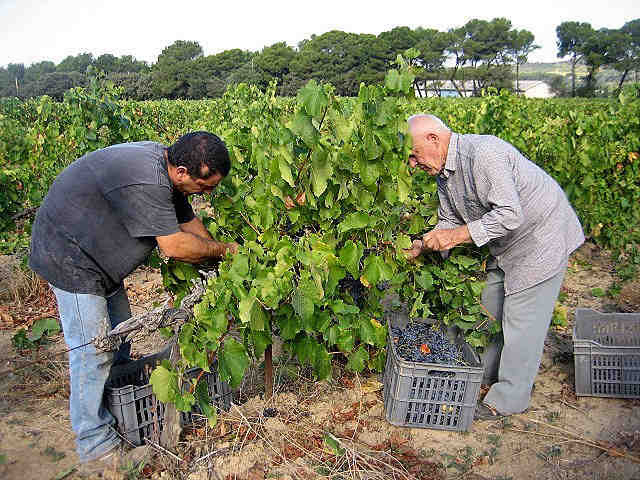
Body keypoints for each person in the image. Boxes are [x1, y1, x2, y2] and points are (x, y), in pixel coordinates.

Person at [29, 131, 238, 464]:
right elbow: (174, 246)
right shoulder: (148, 180)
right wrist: (225, 250)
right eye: (206, 187)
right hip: (69, 257)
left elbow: (190, 223)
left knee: (120, 341)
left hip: (98, 257)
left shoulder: (170, 171)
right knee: (94, 351)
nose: (209, 194)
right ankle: (95, 444)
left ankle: (119, 412)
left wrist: (222, 263)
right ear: (183, 172)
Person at [403, 114, 584, 420]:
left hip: (542, 238)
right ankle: (482, 377)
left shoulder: (483, 154)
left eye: (413, 154)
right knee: (489, 307)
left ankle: (508, 400)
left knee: (521, 321)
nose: (412, 164)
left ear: (433, 139)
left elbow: (510, 214)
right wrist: (423, 243)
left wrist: (455, 236)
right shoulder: (444, 175)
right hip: (507, 245)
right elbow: (450, 221)